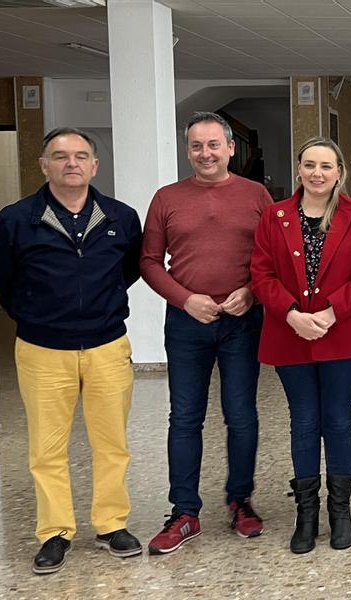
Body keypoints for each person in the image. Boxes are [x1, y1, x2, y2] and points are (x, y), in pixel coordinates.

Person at [0, 127, 143, 574]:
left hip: (107, 345)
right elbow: (1, 278)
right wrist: (37, 314)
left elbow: (128, 269)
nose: (71, 163)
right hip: (42, 349)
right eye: (60, 156)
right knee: (47, 447)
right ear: (44, 165)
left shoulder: (121, 217)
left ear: (94, 165)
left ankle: (111, 525)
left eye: (80, 156)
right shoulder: (16, 220)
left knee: (112, 443)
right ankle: (54, 531)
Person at [140, 112, 273, 555]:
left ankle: (241, 501)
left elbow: (272, 258)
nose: (205, 153)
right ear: (188, 150)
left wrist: (253, 292)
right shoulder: (167, 198)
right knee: (184, 418)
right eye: (197, 146)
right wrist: (184, 299)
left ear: (232, 148)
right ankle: (184, 512)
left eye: (214, 144)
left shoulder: (256, 195)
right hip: (186, 323)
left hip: (242, 321)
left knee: (241, 415)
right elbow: (149, 262)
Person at [250, 138, 351, 554]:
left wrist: (330, 313)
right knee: (304, 420)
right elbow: (261, 273)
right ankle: (306, 513)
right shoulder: (275, 215)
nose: (317, 173)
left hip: (343, 332)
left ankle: (340, 510)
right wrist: (291, 314)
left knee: (338, 419)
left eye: (326, 166)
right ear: (298, 169)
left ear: (339, 172)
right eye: (309, 165)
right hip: (289, 331)